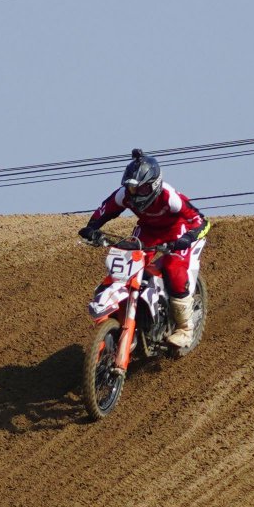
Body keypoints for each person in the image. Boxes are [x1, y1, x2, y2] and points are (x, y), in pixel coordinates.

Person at [80, 148, 208, 353]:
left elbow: (200, 220)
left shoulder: (169, 197)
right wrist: (91, 228)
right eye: (132, 189)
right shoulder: (124, 195)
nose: (136, 194)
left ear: (154, 185)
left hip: (176, 230)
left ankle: (185, 328)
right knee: (127, 262)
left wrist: (188, 238)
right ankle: (122, 317)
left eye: (141, 189)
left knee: (174, 268)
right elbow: (105, 210)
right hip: (148, 230)